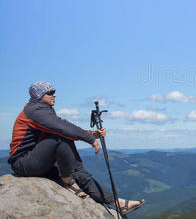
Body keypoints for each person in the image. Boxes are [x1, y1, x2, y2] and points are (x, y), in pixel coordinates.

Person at [8, 81, 145, 215]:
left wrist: (91, 134)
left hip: (39, 159)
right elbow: (61, 127)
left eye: (54, 92)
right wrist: (90, 139)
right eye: (50, 92)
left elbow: (62, 126)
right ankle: (67, 182)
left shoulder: (43, 109)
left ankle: (117, 202)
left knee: (78, 172)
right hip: (23, 162)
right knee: (61, 138)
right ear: (39, 95)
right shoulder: (34, 111)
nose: (54, 95)